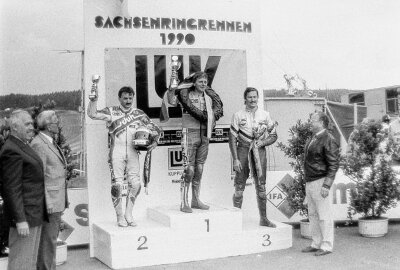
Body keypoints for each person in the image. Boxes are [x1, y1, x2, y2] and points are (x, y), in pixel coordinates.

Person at [88, 86, 161, 227]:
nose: (128, 101)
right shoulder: (111, 111)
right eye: (125, 98)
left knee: (136, 184)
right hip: (117, 152)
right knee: (117, 186)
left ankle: (129, 213)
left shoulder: (138, 114)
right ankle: (119, 216)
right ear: (119, 98)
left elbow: (155, 128)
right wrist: (93, 101)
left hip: (133, 152)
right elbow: (92, 114)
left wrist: (155, 141)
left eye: (130, 98)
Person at [167, 71, 223, 213]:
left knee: (199, 168)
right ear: (194, 82)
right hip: (189, 133)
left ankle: (195, 200)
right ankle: (183, 201)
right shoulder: (185, 94)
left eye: (205, 82)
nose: (203, 84)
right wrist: (172, 87)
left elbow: (217, 111)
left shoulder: (209, 96)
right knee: (189, 170)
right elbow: (171, 101)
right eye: (200, 82)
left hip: (205, 134)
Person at [0, 110, 48, 270]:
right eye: (27, 124)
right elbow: (11, 189)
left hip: (33, 215)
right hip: (25, 218)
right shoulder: (11, 150)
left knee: (29, 263)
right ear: (14, 126)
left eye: (32, 124)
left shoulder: (20, 145)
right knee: (21, 264)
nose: (32, 127)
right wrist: (20, 220)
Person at [229, 87, 277, 227]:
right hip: (243, 148)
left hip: (258, 149)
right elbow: (232, 138)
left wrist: (263, 142)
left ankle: (264, 218)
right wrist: (236, 159)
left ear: (258, 98)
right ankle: (235, 222)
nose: (252, 100)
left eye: (255, 97)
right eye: (249, 97)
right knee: (239, 186)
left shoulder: (265, 115)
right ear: (245, 99)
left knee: (261, 186)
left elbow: (274, 135)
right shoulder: (238, 115)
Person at [30, 110, 68, 270]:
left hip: (55, 200)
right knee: (47, 243)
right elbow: (39, 177)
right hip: (49, 203)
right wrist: (47, 203)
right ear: (46, 124)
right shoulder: (39, 144)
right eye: (55, 120)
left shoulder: (50, 142)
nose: (58, 123)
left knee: (50, 242)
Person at [301, 111, 339, 256]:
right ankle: (316, 243)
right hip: (310, 181)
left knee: (324, 215)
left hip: (320, 181)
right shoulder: (314, 138)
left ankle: (327, 245)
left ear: (322, 123)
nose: (310, 122)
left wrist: (326, 185)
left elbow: (333, 164)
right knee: (313, 215)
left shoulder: (328, 139)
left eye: (313, 120)